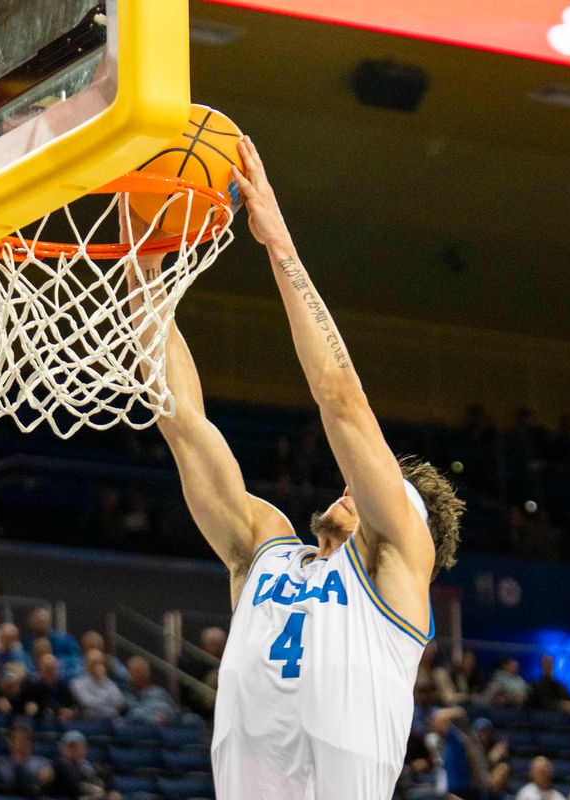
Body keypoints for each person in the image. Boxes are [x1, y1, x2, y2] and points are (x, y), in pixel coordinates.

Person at [127, 134, 465, 799]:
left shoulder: (398, 567)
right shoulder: (264, 549)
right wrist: (141, 267)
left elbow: (340, 400)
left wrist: (279, 246)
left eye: (375, 484)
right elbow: (182, 421)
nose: (353, 482)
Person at [49, 731, 120, 800]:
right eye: (72, 747)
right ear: (63, 749)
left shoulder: (93, 766)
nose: (78, 750)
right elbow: (72, 784)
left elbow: (107, 778)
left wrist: (113, 791)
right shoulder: (58, 766)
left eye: (81, 746)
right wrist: (93, 790)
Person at [0, 726, 54, 797]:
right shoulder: (4, 762)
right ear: (11, 743)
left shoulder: (41, 761)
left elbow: (47, 777)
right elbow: (10, 780)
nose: (21, 744)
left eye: (25, 739)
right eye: (18, 740)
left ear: (30, 743)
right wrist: (34, 775)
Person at [17, 655, 77, 721]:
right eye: (46, 669)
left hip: (60, 724)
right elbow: (20, 707)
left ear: (57, 669)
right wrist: (28, 707)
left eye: (52, 669)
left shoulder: (63, 687)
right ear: (39, 670)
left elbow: (73, 706)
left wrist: (70, 712)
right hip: (38, 724)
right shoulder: (31, 687)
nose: (49, 673)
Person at [123, 656, 177, 726]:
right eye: (130, 671)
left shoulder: (158, 692)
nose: (130, 675)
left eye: (136, 671)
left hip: (161, 729)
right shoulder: (128, 695)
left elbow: (169, 714)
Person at [71, 649, 125, 720]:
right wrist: (108, 701)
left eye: (101, 663)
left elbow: (119, 702)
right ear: (87, 664)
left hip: (112, 721)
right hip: (91, 721)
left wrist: (103, 680)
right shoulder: (77, 683)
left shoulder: (108, 682)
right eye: (95, 663)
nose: (99, 666)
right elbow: (88, 702)